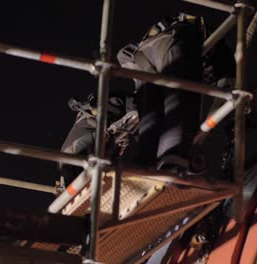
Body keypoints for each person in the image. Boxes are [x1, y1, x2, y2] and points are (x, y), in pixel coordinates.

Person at [59, 13, 235, 185]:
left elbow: (148, 120)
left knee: (153, 127)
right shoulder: (218, 53)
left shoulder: (108, 124)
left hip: (143, 54)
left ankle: (151, 169)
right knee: (180, 111)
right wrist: (203, 133)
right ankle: (173, 168)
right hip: (170, 42)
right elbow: (227, 92)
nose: (206, 79)